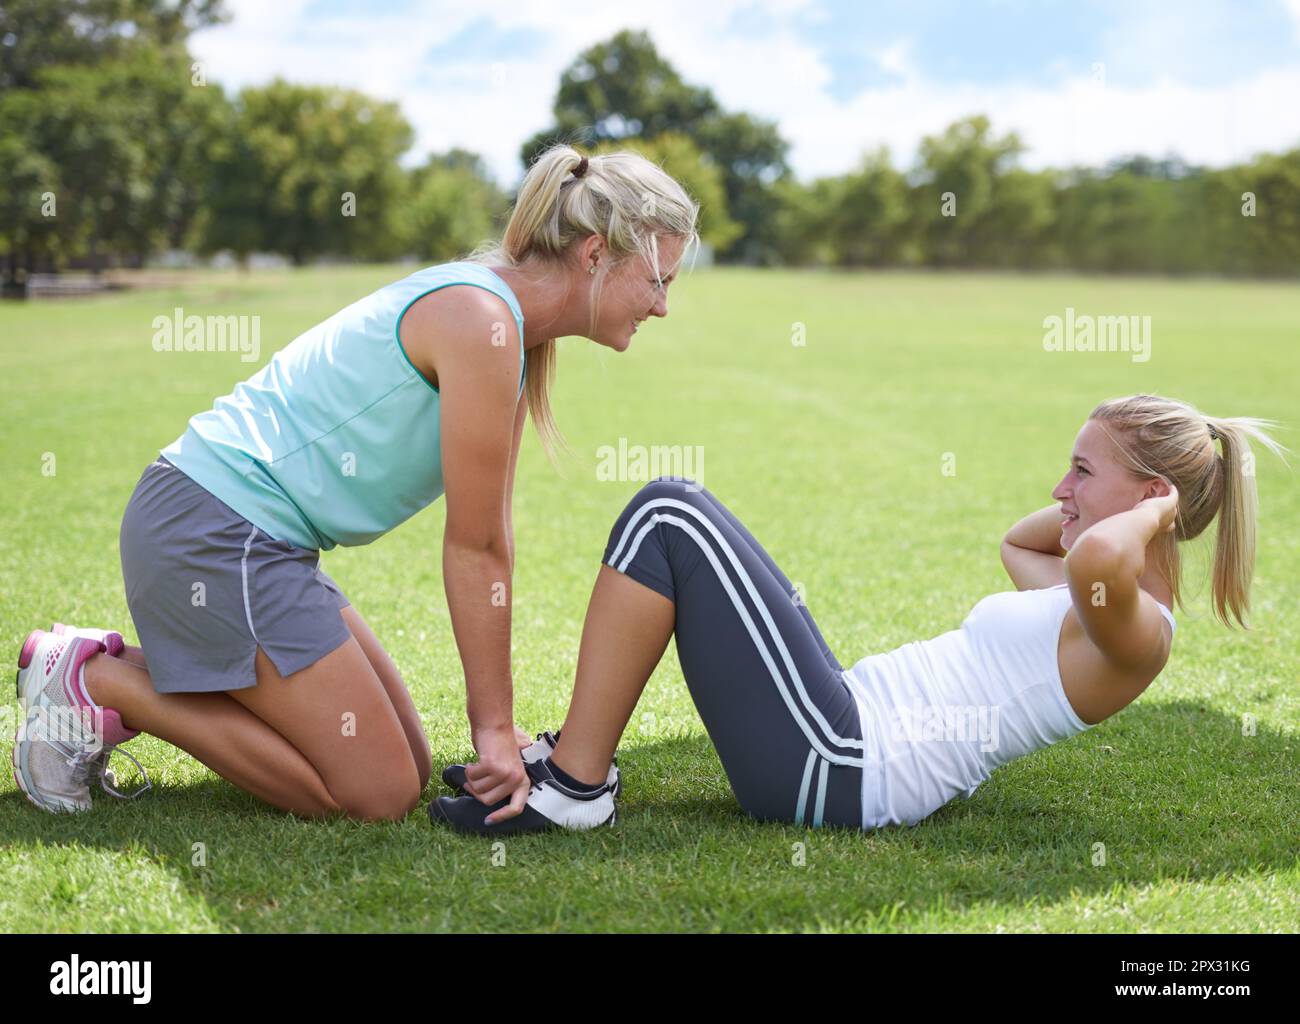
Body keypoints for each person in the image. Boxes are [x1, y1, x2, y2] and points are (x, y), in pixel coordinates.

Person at [13, 145, 700, 821]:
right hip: (215, 532)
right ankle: (91, 679)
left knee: (409, 758)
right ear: (592, 256)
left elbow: (492, 531)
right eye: (658, 279)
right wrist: (494, 729)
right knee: (377, 793)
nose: (662, 306)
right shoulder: (482, 320)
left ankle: (99, 667)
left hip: (248, 538)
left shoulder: (509, 331)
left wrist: (498, 722)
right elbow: (476, 547)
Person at [430, 395, 1284, 834]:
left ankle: (576, 787)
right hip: (841, 729)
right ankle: (576, 768)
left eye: (1080, 471)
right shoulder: (1090, 605)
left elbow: (1094, 555)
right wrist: (1102, 504)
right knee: (674, 515)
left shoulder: (1136, 632)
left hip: (842, 764)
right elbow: (1021, 546)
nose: (1060, 490)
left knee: (669, 513)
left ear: (1151, 499)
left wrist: (1148, 515)